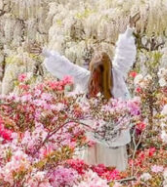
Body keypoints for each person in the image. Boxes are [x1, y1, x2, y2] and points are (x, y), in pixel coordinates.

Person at [41, 26, 137, 171]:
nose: (96, 80)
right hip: (94, 140)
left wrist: (129, 32)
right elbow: (68, 68)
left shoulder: (114, 76)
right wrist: (46, 53)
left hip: (107, 142)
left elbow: (123, 56)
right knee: (96, 175)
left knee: (105, 176)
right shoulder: (89, 78)